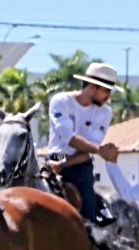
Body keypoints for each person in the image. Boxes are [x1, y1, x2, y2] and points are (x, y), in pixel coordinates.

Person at [44, 62, 122, 221]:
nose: (109, 97)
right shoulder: (61, 101)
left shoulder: (105, 112)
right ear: (93, 87)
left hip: (80, 162)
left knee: (87, 214)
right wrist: (99, 150)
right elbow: (70, 139)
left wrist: (65, 165)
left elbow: (87, 151)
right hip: (55, 157)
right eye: (106, 91)